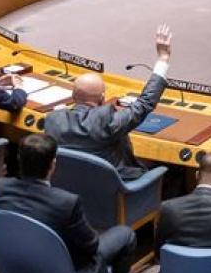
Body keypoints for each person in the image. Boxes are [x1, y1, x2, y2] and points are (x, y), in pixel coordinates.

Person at [0, 133, 138, 273]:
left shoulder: (0, 188)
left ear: (19, 160)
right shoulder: (66, 203)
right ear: (53, 165)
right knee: (125, 235)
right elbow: (92, 246)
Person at [43, 24, 171, 179]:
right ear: (102, 98)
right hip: (115, 190)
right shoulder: (108, 122)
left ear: (73, 96)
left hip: (70, 185)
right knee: (169, 171)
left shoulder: (52, 120)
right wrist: (163, 58)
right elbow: (145, 103)